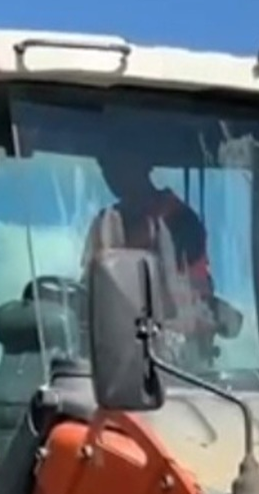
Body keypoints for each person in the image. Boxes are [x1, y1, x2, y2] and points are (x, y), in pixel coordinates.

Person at [81, 143, 242, 362]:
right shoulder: (104, 223)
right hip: (114, 354)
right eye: (105, 165)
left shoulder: (179, 221)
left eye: (120, 162)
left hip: (177, 360)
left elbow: (185, 293)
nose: (111, 173)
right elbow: (89, 288)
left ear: (145, 165)